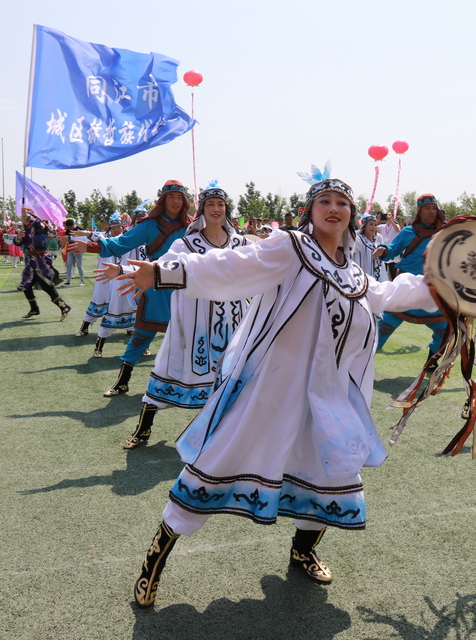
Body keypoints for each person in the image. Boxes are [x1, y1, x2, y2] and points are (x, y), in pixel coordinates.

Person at [111, 178, 436, 608]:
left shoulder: (354, 272)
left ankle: (303, 550)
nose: (334, 207)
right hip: (271, 392)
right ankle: (153, 563)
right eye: (325, 201)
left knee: (334, 470)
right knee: (214, 465)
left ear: (353, 215)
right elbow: (232, 265)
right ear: (311, 210)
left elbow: (386, 293)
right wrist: (165, 272)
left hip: (328, 399)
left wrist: (447, 288)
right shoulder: (291, 249)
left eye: (343, 202)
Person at [118, 184, 250, 449]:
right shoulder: (186, 243)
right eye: (211, 204)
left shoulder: (241, 243)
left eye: (220, 205)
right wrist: (125, 270)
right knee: (170, 365)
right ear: (202, 209)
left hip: (234, 321)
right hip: (195, 321)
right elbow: (163, 266)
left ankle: (223, 438)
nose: (216, 209)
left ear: (226, 210)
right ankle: (143, 429)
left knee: (237, 376)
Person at [70, 180, 190, 397]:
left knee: (192, 335)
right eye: (171, 197)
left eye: (179, 197)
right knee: (141, 335)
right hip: (155, 284)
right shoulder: (149, 225)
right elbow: (120, 243)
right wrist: (90, 246)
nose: (175, 201)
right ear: (163, 200)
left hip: (185, 286)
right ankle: (122, 382)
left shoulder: (191, 226)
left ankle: (191, 384)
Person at [375, 194, 448, 362]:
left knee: (444, 331)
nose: (431, 212)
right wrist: (384, 250)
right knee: (382, 330)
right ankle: (357, 363)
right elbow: (393, 250)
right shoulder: (408, 231)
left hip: (431, 291)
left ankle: (432, 361)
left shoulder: (443, 234)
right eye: (427, 208)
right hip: (406, 289)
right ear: (419, 211)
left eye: (434, 208)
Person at [75, 213, 139, 357]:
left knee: (132, 304)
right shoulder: (107, 239)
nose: (116, 229)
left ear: (123, 226)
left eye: (118, 226)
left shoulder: (131, 239)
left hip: (126, 276)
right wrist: (85, 234)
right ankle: (85, 328)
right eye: (114, 227)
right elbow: (96, 239)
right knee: (100, 300)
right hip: (104, 278)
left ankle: (132, 332)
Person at [15, 210, 71, 320]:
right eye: (24, 218)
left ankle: (64, 306)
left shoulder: (39, 226)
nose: (24, 219)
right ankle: (34, 308)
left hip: (41, 260)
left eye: (27, 217)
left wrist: (28, 216)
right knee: (26, 285)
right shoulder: (25, 230)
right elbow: (18, 243)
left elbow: (39, 224)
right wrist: (19, 237)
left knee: (46, 285)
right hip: (31, 260)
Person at [353, 214, 387, 282]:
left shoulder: (377, 243)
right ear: (364, 226)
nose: (373, 227)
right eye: (371, 224)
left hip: (377, 280)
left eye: (375, 225)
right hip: (362, 280)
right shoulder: (358, 240)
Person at [59, 218, 87, 286]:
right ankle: (68, 281)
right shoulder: (68, 230)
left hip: (78, 249)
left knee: (79, 265)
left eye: (70, 227)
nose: (69, 228)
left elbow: (84, 239)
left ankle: (82, 281)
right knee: (68, 265)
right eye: (68, 227)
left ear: (73, 225)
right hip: (70, 249)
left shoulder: (80, 230)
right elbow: (66, 238)